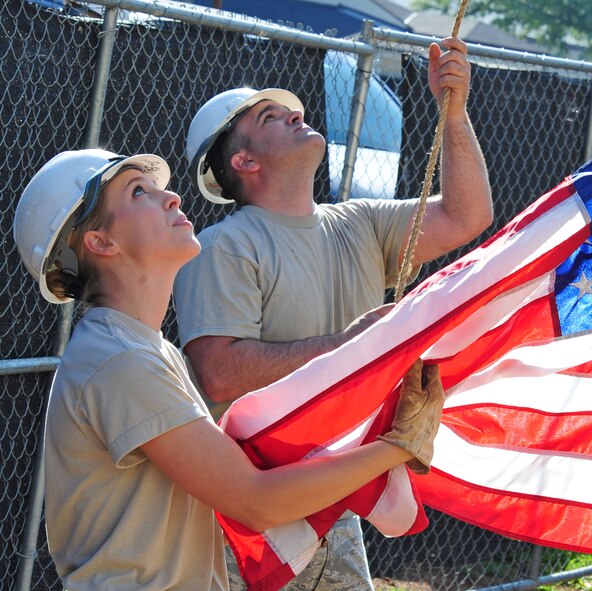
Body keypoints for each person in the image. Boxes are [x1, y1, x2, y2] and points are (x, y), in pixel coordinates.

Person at [13, 148, 444, 591]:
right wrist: (399, 446)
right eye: (138, 191)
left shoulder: (145, 349)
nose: (172, 198)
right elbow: (256, 501)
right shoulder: (120, 359)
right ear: (101, 243)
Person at [173, 36, 492, 590]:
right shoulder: (223, 246)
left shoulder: (359, 221)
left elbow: (468, 215)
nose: (296, 112)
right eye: (273, 116)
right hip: (252, 515)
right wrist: (348, 345)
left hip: (334, 502)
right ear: (243, 161)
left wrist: (454, 116)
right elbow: (219, 371)